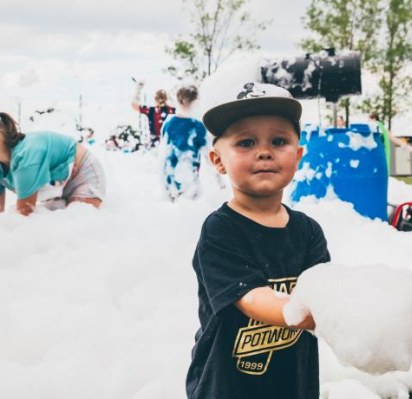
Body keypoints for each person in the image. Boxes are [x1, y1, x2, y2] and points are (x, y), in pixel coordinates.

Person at [186, 82, 330, 399]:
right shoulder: (220, 230)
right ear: (218, 160)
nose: (264, 151)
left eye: (279, 141)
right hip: (227, 386)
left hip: (294, 385)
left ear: (299, 155)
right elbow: (251, 299)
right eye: (246, 142)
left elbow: (326, 290)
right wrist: (313, 313)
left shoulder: (308, 231)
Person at [0, 107, 106, 216]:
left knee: (79, 222)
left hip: (82, 173)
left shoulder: (26, 157)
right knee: (53, 226)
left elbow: (24, 214)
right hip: (59, 188)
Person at [160, 85, 208, 200]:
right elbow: (208, 155)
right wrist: (220, 181)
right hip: (190, 179)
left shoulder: (168, 123)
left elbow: (163, 154)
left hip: (170, 177)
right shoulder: (197, 126)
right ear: (194, 102)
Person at [131, 81, 175, 147]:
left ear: (155, 99)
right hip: (169, 145)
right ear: (166, 99)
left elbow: (134, 105)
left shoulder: (151, 110)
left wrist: (138, 89)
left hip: (156, 144)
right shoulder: (173, 111)